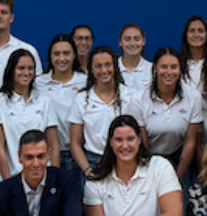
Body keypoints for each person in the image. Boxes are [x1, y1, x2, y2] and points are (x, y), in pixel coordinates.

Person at [67, 47, 145, 177]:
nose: (104, 70)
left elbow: (140, 134)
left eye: (108, 65)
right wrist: (88, 171)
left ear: (115, 67)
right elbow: (75, 143)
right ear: (91, 69)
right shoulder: (82, 99)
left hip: (125, 161)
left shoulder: (131, 96)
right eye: (98, 66)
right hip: (93, 162)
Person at [0, 48, 60, 181]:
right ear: (11, 70)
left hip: (43, 179)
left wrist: (54, 181)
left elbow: (54, 145)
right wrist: (8, 183)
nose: (26, 73)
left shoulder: (44, 101)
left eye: (30, 68)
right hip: (13, 176)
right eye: (21, 68)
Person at [140, 47, 202, 179]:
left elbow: (190, 142)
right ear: (155, 69)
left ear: (180, 70)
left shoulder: (194, 97)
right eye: (164, 67)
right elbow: (141, 143)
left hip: (179, 159)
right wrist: (149, 173)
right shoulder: (138, 99)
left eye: (174, 67)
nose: (169, 72)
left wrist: (178, 176)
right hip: (148, 160)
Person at [36, 34, 86, 167]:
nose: (62, 58)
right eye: (57, 54)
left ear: (74, 55)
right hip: (48, 154)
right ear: (50, 57)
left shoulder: (85, 81)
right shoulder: (38, 83)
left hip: (79, 154)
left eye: (66, 53)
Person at [180, 16, 207, 91]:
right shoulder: (177, 65)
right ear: (185, 35)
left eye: (200, 31)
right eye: (192, 31)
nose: (196, 35)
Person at [116, 23, 151, 89]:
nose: (132, 43)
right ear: (120, 42)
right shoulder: (112, 69)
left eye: (137, 39)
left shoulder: (152, 69)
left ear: (143, 41)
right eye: (127, 39)